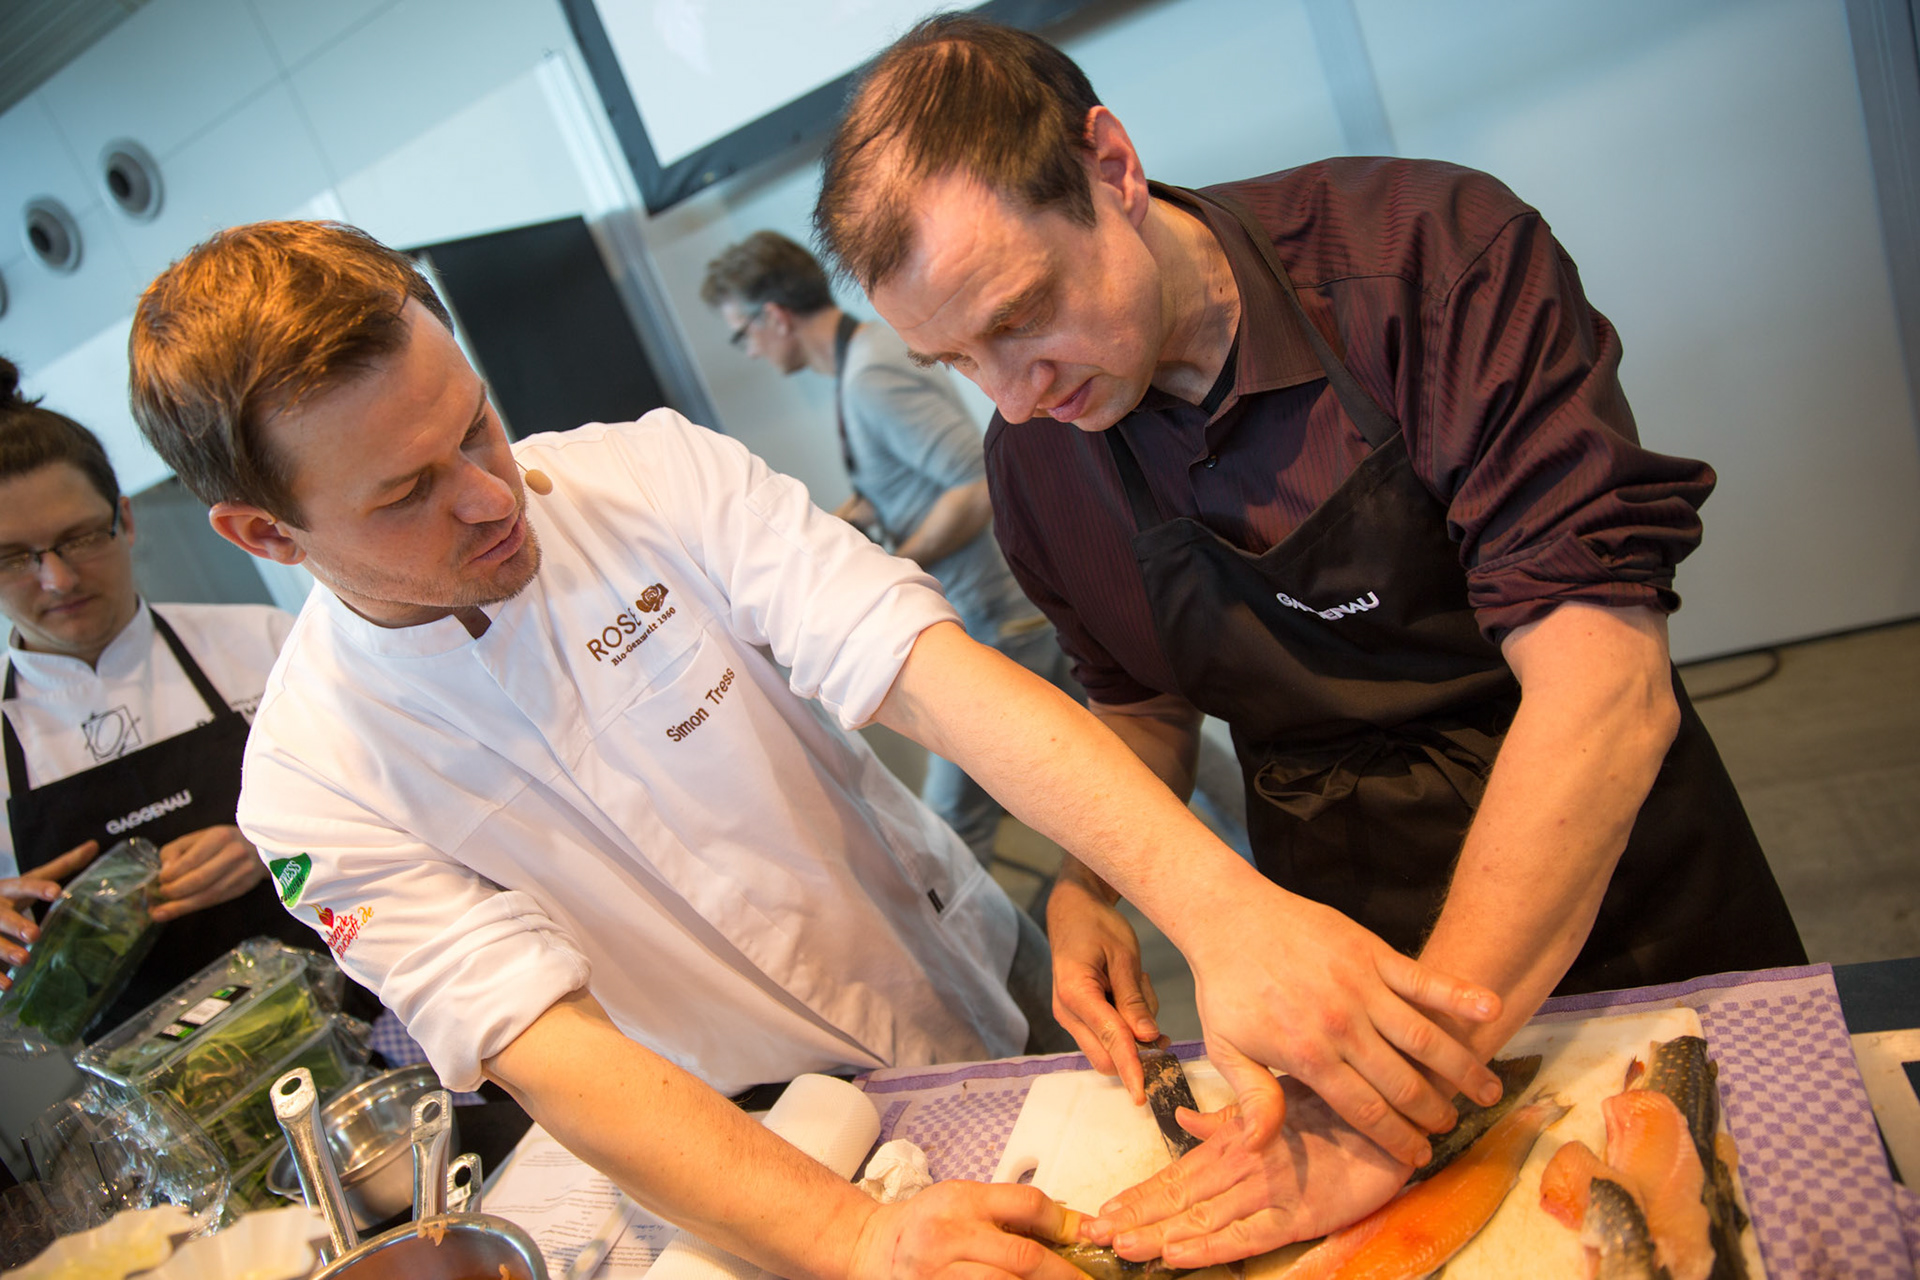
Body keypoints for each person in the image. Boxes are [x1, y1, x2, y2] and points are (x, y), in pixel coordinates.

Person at [126, 221, 1499, 1280]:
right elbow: (548, 1050)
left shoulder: (652, 475)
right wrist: (854, 1239)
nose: (491, 494)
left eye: (475, 422)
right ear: (266, 534)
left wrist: (1221, 908)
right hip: (751, 1144)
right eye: (408, 493)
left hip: (967, 981)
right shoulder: (311, 780)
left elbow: (932, 677)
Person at [813, 15, 1807, 1261]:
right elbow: (1144, 702)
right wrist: (1090, 877)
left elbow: (1601, 686)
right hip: (1331, 933)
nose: (1013, 394)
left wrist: (1400, 1100)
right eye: (957, 358)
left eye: (1023, 314)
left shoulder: (1431, 262)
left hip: (1605, 859)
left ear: (1111, 168)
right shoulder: (1037, 465)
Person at [700, 230, 1078, 866]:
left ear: (776, 317)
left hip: (996, 618)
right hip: (1004, 608)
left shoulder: (870, 375)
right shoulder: (864, 358)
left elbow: (974, 485)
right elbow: (915, 481)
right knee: (1153, 750)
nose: (751, 352)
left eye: (743, 335)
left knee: (952, 835)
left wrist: (887, 565)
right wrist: (848, 520)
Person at [0, 356, 313, 1033]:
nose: (58, 579)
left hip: (348, 1012)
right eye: (12, 557)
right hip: (152, 1077)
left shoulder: (267, 643)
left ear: (125, 519)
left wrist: (272, 848)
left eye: (81, 537)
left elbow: (401, 806)